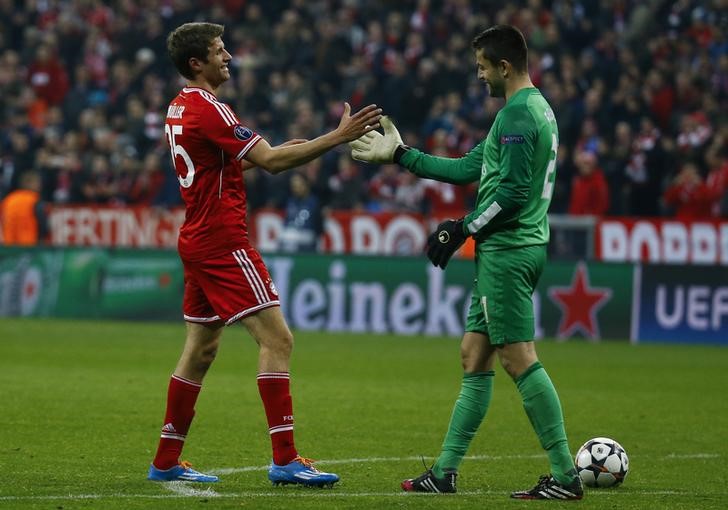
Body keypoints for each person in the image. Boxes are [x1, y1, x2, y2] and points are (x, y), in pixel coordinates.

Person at [350, 25, 583, 500]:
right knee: (474, 356)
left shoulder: (518, 115)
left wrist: (464, 229)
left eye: (482, 66)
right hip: (515, 247)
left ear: (504, 66)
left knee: (519, 360)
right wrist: (400, 154)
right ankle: (444, 472)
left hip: (508, 251)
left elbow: (514, 195)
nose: (478, 75)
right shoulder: (528, 111)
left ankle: (565, 476)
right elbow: (463, 169)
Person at [148, 22, 381, 487]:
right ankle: (286, 458)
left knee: (200, 349)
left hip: (197, 237)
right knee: (278, 340)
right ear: (198, 63)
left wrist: (306, 143)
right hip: (223, 242)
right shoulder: (208, 107)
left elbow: (255, 156)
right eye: (219, 50)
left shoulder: (180, 105)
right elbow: (272, 162)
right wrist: (339, 138)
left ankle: (166, 460)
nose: (229, 55)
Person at [0, 171, 47, 246]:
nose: (39, 185)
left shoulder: (9, 199)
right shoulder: (34, 199)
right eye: (37, 182)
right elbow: (42, 222)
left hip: (8, 244)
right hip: (29, 244)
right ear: (27, 183)